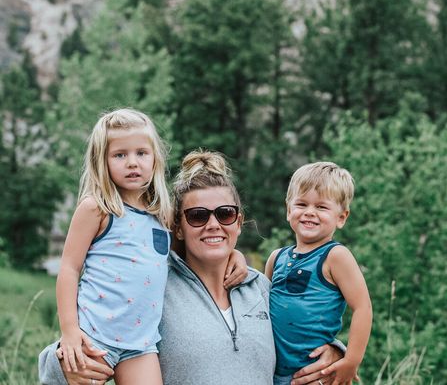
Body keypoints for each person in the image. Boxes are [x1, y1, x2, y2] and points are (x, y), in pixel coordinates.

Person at [39, 151, 343, 385]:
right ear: (178, 227)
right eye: (198, 216)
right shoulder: (155, 288)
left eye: (225, 214)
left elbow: (300, 331)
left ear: (238, 222)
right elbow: (92, 340)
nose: (213, 225)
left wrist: (335, 351)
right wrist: (63, 362)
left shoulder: (262, 288)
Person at [55, 108, 173, 384]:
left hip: (141, 345)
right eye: (120, 155)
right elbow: (69, 269)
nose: (132, 162)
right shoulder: (97, 208)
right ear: (103, 161)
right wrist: (70, 332)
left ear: (155, 158)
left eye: (141, 153)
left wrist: (235, 258)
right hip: (94, 335)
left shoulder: (163, 214)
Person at [266, 161, 372, 385]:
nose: (309, 213)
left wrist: (351, 361)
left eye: (322, 207)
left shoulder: (335, 256)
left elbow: (363, 307)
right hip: (270, 373)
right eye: (301, 204)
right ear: (288, 210)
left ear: (341, 217)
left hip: (311, 374)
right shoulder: (276, 258)